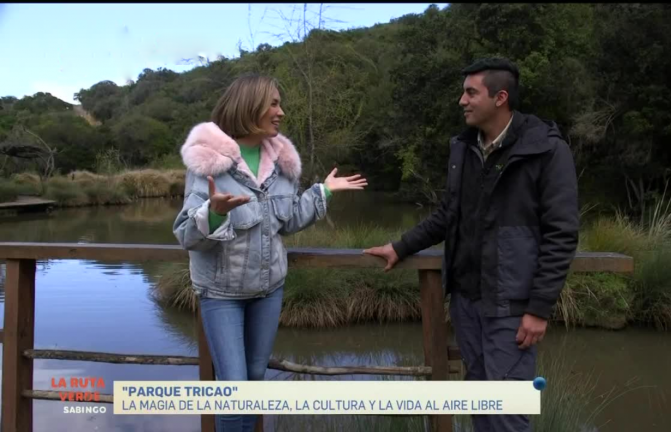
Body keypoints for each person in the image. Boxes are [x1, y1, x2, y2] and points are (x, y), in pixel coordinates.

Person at [364, 58, 579, 432]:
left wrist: (539, 307)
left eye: (470, 92)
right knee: (481, 404)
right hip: (466, 300)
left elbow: (561, 233)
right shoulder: (464, 148)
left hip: (512, 305)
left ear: (500, 97)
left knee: (508, 413)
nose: (461, 101)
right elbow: (449, 214)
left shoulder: (546, 149)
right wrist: (400, 247)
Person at [172, 73, 367, 432]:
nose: (281, 112)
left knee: (255, 380)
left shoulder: (283, 165)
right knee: (234, 390)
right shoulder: (208, 163)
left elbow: (288, 220)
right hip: (221, 294)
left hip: (269, 290)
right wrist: (213, 213)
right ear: (250, 107)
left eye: (280, 103)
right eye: (274, 103)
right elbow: (186, 235)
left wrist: (323, 191)